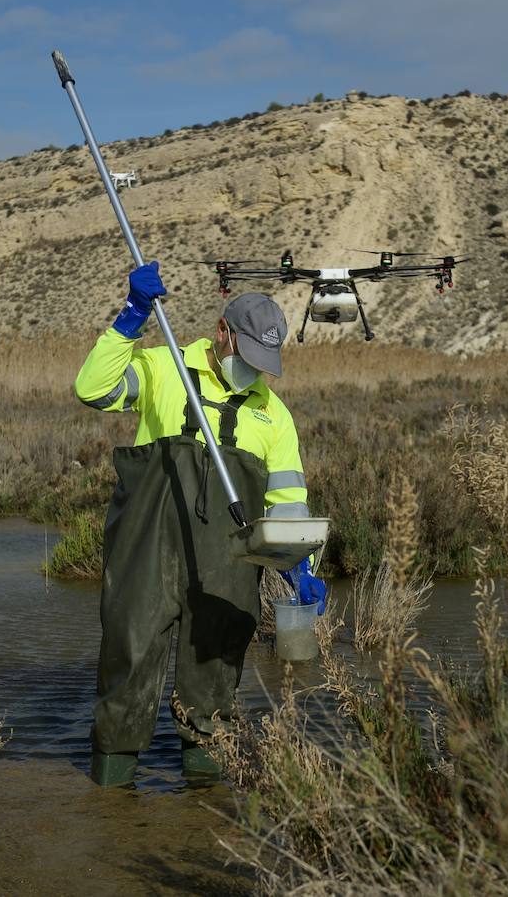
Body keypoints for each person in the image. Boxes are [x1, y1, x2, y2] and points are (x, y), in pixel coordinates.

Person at [75, 260, 327, 787]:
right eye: (248, 354)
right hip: (146, 550)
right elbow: (93, 390)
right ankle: (111, 797)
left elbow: (287, 503)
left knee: (214, 684)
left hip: (227, 569)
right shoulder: (163, 366)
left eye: (265, 361)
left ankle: (204, 802)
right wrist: (130, 319)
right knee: (129, 659)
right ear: (221, 332)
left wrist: (300, 566)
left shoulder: (273, 415)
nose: (254, 370)